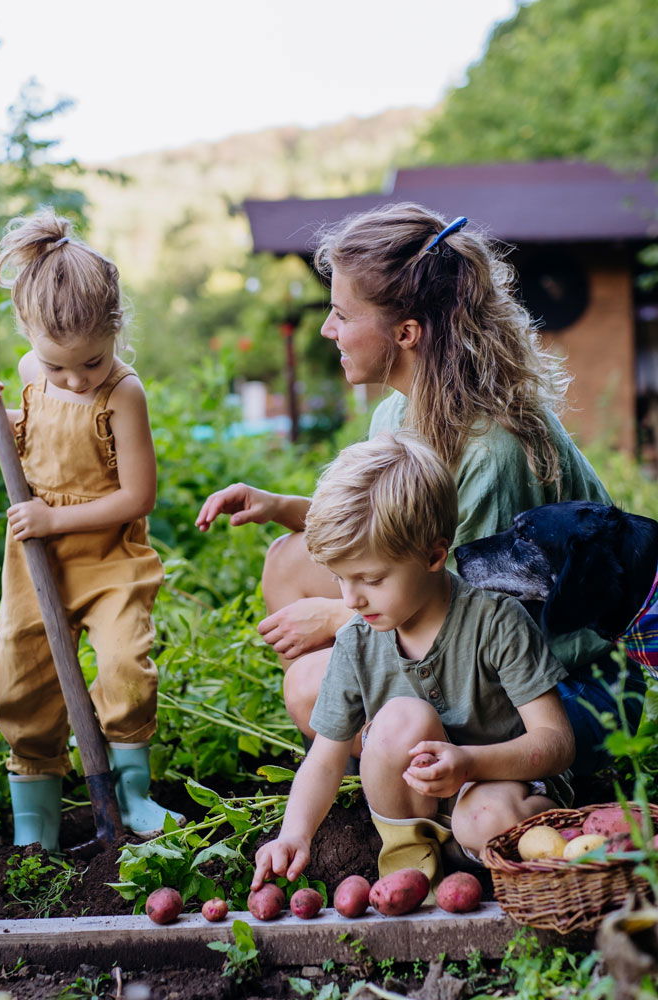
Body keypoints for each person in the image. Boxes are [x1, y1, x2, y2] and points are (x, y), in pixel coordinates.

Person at [196, 203, 642, 776]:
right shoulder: (396, 412)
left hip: (565, 689)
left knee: (313, 686)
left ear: (406, 332)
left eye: (341, 314)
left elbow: (474, 608)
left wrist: (339, 620)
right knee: (289, 560)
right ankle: (382, 756)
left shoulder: (488, 447)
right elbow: (394, 533)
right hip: (467, 628)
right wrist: (280, 508)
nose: (328, 329)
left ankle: (426, 769)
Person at [251, 433, 575, 891]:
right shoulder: (357, 640)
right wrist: (293, 835)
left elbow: (557, 742)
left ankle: (525, 836)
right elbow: (325, 760)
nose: (350, 598)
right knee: (399, 718)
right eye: (340, 579)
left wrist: (467, 763)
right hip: (419, 803)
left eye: (371, 579)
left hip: (501, 782)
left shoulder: (496, 621)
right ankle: (410, 858)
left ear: (434, 555)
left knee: (485, 819)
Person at [0, 209, 181, 851]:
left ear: (115, 329)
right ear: (27, 334)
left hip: (109, 555)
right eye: (58, 368)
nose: (76, 380)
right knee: (23, 677)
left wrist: (56, 517)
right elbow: (27, 450)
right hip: (36, 560)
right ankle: (37, 814)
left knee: (123, 664)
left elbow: (138, 494)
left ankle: (133, 794)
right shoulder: (32, 375)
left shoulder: (122, 393)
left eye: (91, 360)